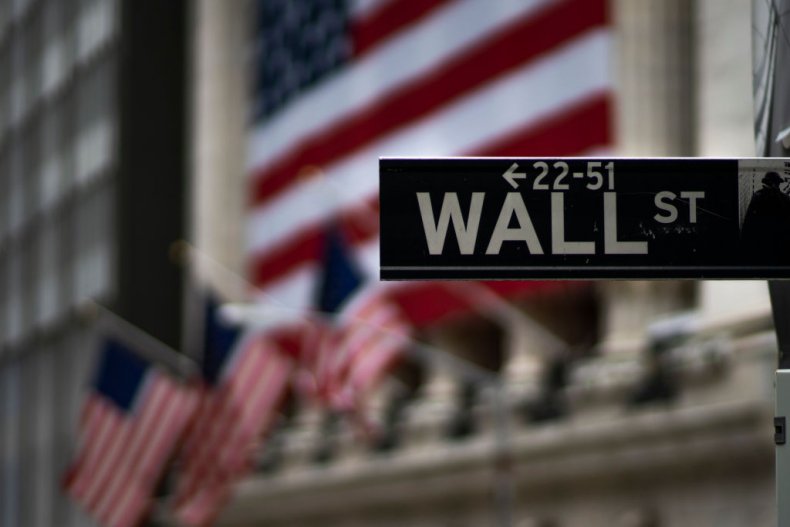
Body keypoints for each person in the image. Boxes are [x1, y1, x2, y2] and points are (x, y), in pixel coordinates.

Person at [741, 171, 790, 264]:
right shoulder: (784, 199)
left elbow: (749, 223)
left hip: (762, 244)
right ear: (777, 183)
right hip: (779, 245)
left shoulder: (758, 196)